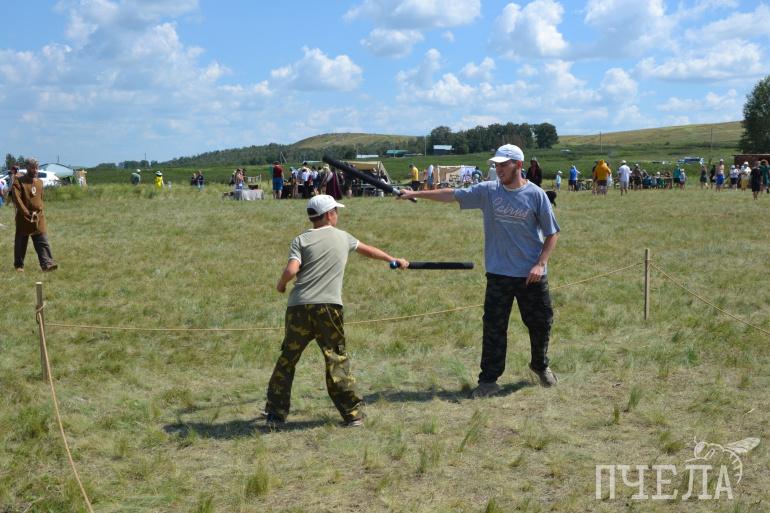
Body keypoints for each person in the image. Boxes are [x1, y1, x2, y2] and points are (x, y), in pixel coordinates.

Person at [397, 144, 560, 397]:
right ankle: (488, 381)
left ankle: (540, 365)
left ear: (518, 165)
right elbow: (452, 194)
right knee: (494, 328)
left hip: (531, 275)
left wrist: (540, 264)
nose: (498, 169)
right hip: (499, 273)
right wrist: (413, 193)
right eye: (496, 164)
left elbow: (552, 233)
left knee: (541, 324)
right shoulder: (488, 191)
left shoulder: (536, 195)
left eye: (503, 164)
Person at [264, 195, 408, 427]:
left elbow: (292, 270)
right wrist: (393, 259)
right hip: (329, 308)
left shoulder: (301, 239)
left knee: (288, 358)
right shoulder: (343, 237)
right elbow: (369, 251)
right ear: (330, 214)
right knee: (336, 359)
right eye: (336, 211)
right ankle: (353, 415)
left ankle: (275, 414)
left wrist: (281, 285)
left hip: (298, 307)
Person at [11, 158, 58, 272]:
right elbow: (17, 199)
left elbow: (40, 199)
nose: (35, 170)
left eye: (37, 168)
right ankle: (19, 266)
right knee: (21, 241)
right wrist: (26, 212)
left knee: (42, 240)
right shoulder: (19, 182)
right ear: (27, 168)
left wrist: (40, 211)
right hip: (24, 217)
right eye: (33, 168)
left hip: (38, 217)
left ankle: (47, 264)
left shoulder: (40, 182)